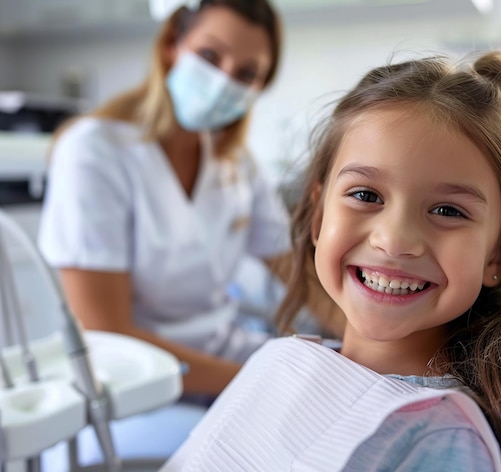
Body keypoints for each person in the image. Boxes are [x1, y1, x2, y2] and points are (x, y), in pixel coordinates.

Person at [162, 50, 501, 472]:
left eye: (449, 211)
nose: (394, 241)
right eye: (366, 196)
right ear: (320, 218)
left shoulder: (441, 439)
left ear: (497, 255)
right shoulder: (278, 364)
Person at [37, 0, 344, 401]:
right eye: (209, 56)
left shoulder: (233, 163)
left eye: (246, 74)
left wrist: (363, 339)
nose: (222, 81)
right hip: (142, 386)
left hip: (227, 361)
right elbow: (107, 333)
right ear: (171, 46)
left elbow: (297, 274)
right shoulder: (94, 150)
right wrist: (257, 382)